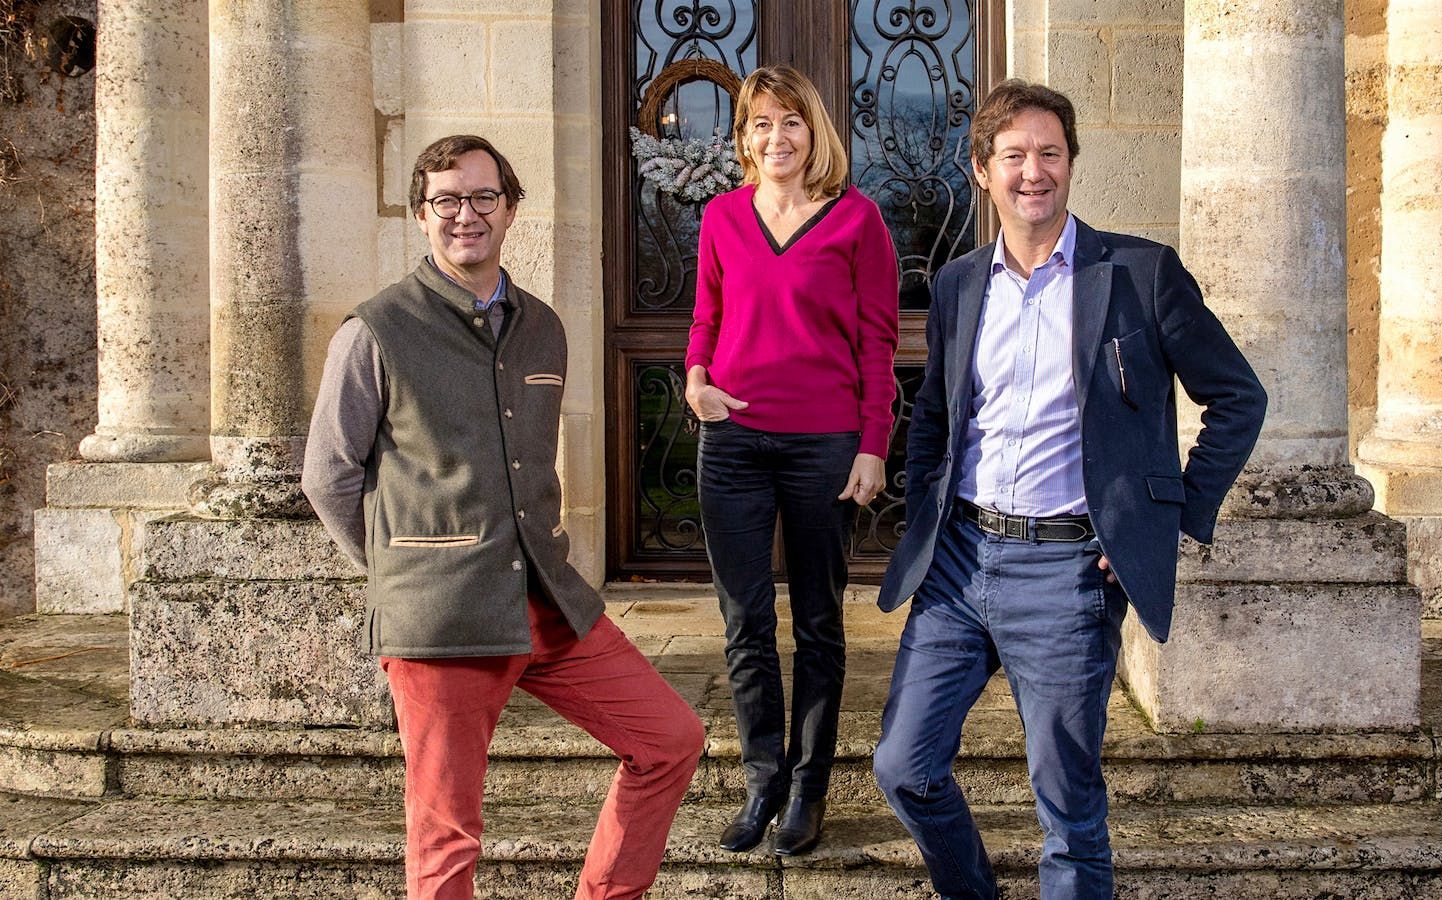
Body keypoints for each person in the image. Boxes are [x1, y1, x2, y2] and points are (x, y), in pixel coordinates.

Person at [872, 81, 1268, 899]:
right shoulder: (958, 284)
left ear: (1072, 164)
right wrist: (926, 520)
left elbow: (1238, 397)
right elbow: (938, 416)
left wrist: (1170, 521)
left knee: (1068, 812)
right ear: (982, 169)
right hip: (959, 564)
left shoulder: (1139, 274)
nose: (1033, 172)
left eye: (1049, 153)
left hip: (1066, 573)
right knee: (904, 766)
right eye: (1014, 155)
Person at [302, 134, 705, 900]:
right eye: (447, 200)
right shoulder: (374, 331)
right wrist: (404, 571)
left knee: (670, 739)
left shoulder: (543, 326)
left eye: (484, 197)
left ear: (511, 208)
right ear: (421, 214)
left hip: (550, 601)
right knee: (447, 837)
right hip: (442, 619)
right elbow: (328, 475)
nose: (467, 214)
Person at [685, 65, 899, 857]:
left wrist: (873, 444)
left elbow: (877, 341)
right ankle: (762, 783)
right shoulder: (722, 216)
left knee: (817, 623)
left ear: (815, 131)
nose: (776, 137)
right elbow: (706, 317)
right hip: (733, 445)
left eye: (791, 121)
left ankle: (809, 790)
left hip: (824, 445)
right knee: (744, 623)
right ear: (744, 138)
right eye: (761, 123)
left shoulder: (857, 219)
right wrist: (696, 382)